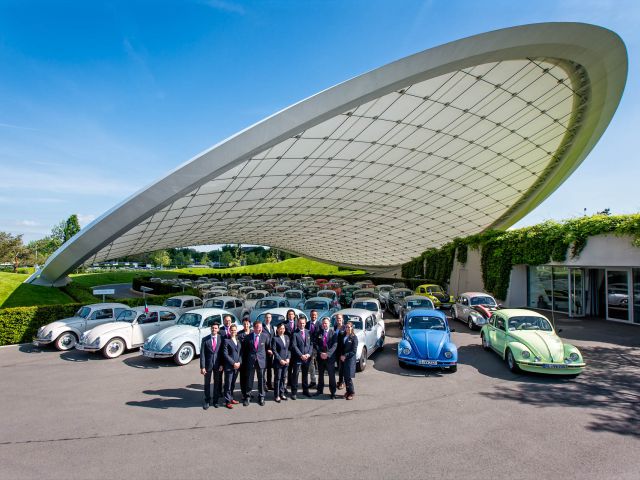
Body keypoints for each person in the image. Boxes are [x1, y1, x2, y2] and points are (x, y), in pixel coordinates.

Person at [244, 321, 269, 406]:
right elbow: (245, 350)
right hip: (251, 361)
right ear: (254, 328)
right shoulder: (248, 337)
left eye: (261, 327)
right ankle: (248, 396)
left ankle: (261, 396)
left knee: (261, 379)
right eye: (258, 327)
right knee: (249, 379)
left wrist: (270, 351)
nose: (260, 329)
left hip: (261, 361)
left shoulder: (265, 336)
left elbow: (268, 347)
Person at [200, 323, 224, 409]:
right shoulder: (205, 339)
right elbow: (202, 354)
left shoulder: (221, 338)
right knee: (207, 383)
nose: (214, 329)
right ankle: (207, 400)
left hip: (218, 365)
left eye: (216, 328)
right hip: (207, 365)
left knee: (217, 383)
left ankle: (215, 400)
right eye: (213, 328)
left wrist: (222, 364)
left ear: (218, 329)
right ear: (211, 329)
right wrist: (202, 367)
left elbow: (222, 353)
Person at [314, 316, 337, 398]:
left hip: (330, 358)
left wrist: (327, 354)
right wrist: (320, 353)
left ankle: (333, 392)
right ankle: (320, 390)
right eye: (323, 323)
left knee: (331, 376)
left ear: (329, 323)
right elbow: (316, 344)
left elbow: (335, 345)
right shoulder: (319, 333)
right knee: (320, 375)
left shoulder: (333, 333)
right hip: (320, 358)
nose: (324, 324)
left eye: (326, 323)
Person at [291, 316, 313, 398]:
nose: (302, 324)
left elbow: (311, 344)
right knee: (295, 375)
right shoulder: (295, 333)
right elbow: (294, 346)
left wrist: (308, 354)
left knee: (305, 375)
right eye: (300, 323)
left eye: (303, 323)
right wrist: (301, 355)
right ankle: (294, 392)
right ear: (298, 323)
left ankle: (305, 391)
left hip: (307, 358)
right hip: (298, 358)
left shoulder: (308, 332)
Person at [223, 324, 242, 409]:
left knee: (233, 384)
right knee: (228, 384)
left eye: (235, 330)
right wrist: (233, 363)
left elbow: (240, 353)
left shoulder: (238, 340)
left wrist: (239, 363)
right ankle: (227, 401)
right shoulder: (226, 341)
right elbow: (225, 354)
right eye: (232, 330)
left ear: (236, 331)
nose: (233, 332)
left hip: (237, 366)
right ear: (229, 331)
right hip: (230, 366)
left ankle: (231, 398)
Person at [271, 323, 290, 402]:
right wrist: (280, 360)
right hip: (279, 362)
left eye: (283, 328)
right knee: (278, 378)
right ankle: (277, 395)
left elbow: (288, 349)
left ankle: (282, 393)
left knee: (283, 378)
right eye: (280, 329)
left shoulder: (287, 337)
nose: (282, 330)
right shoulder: (275, 339)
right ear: (277, 330)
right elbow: (274, 351)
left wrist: (288, 358)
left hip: (286, 362)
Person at [341, 321, 358, 400]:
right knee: (345, 376)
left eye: (349, 327)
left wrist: (345, 356)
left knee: (349, 377)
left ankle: (352, 392)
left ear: (352, 328)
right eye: (346, 327)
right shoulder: (344, 336)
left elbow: (353, 351)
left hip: (349, 360)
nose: (347, 328)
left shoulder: (354, 337)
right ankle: (347, 391)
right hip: (343, 359)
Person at [237, 318, 252, 400]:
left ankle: (249, 392)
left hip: (251, 358)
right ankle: (243, 393)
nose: (246, 325)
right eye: (244, 324)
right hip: (243, 358)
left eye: (247, 324)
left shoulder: (253, 332)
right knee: (243, 376)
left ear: (250, 324)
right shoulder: (239, 334)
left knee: (250, 376)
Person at [284, 309, 297, 389]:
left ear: (294, 315)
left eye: (292, 314)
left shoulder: (297, 323)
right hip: (287, 348)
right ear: (287, 315)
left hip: (295, 348)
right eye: (289, 314)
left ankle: (293, 381)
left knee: (294, 366)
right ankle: (287, 382)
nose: (291, 316)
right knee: (288, 365)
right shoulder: (284, 324)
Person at [263, 312, 275, 390]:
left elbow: (273, 339)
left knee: (270, 369)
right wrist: (267, 349)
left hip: (271, 352)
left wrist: (272, 349)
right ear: (264, 318)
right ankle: (264, 385)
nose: (268, 319)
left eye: (269, 317)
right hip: (264, 351)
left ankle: (269, 384)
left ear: (271, 319)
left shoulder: (272, 327)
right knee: (263, 369)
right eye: (267, 317)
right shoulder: (262, 327)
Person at [307, 309, 319, 388]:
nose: (313, 316)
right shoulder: (307, 324)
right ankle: (313, 381)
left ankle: (320, 382)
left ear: (317, 316)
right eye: (312, 315)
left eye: (315, 315)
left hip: (318, 348)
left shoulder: (320, 324)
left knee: (320, 366)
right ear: (310, 315)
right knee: (311, 365)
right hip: (309, 348)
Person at [333, 314, 346, 390]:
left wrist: (344, 353)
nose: (338, 320)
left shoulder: (345, 328)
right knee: (338, 366)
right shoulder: (335, 327)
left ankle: (342, 382)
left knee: (342, 368)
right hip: (336, 350)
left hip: (342, 350)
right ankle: (340, 380)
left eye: (340, 318)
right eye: (337, 318)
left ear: (342, 319)